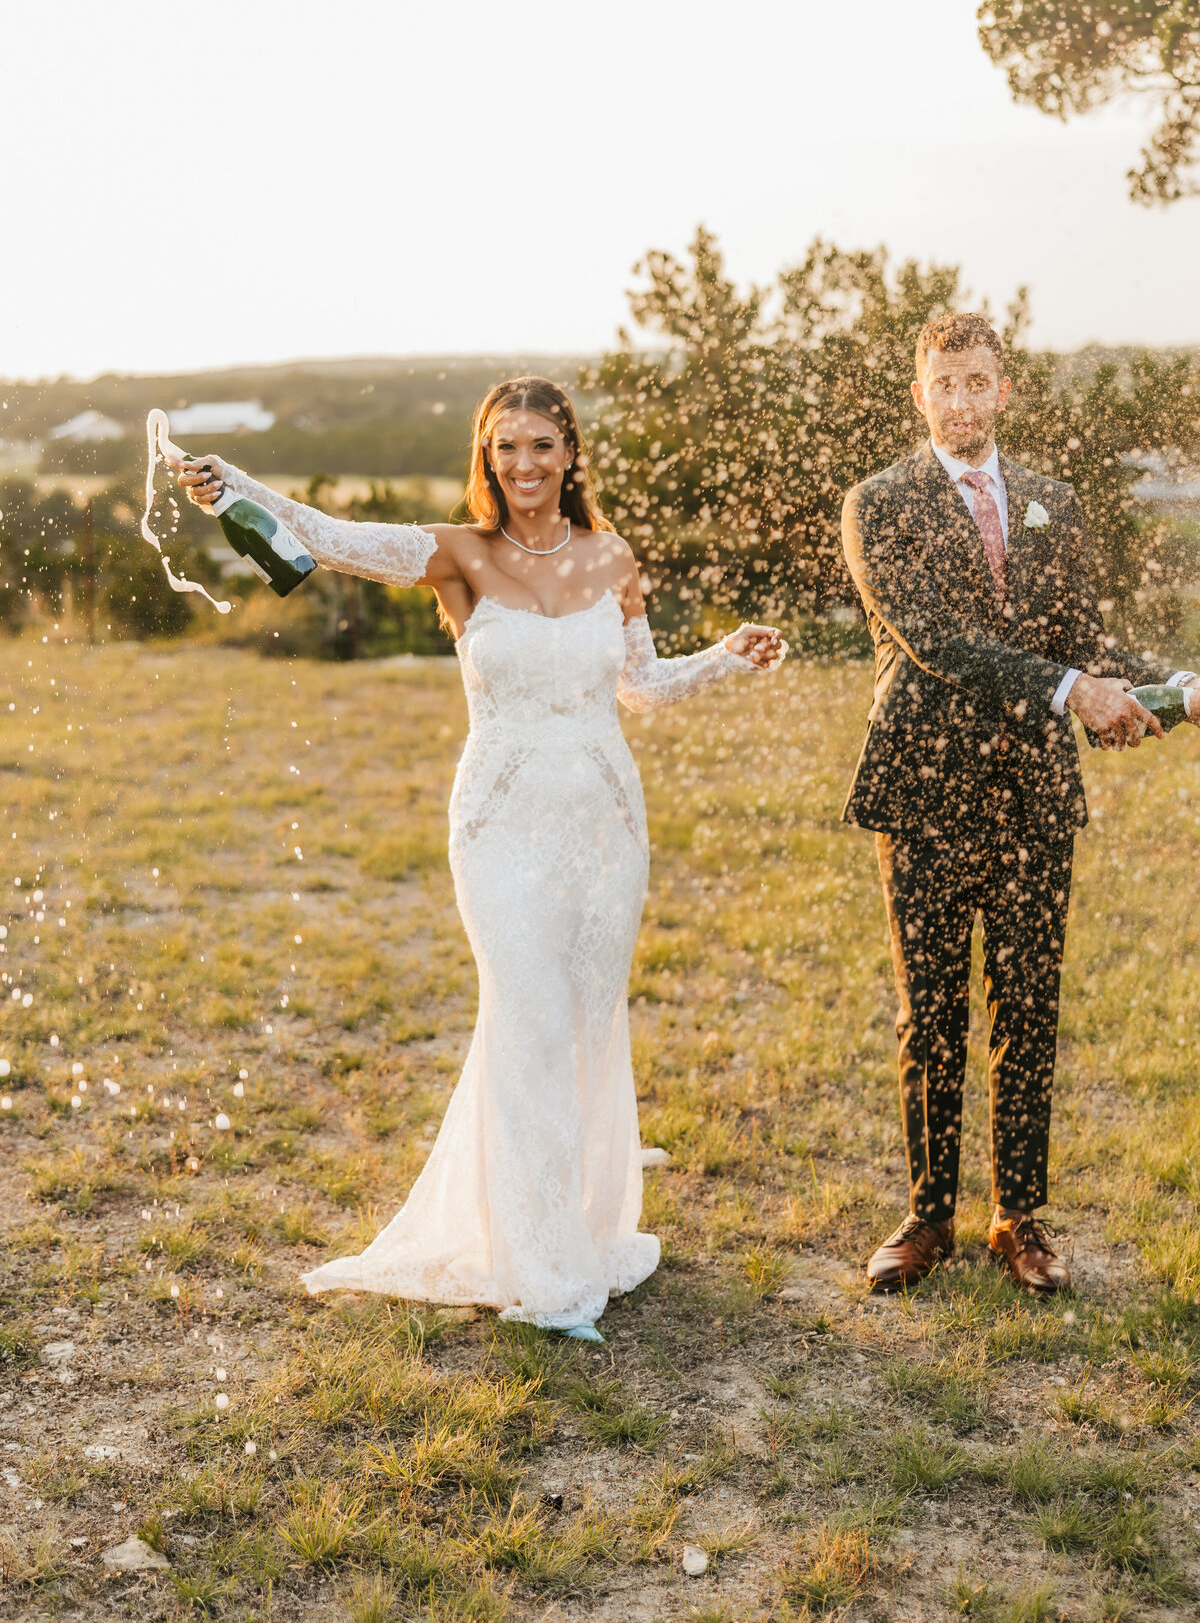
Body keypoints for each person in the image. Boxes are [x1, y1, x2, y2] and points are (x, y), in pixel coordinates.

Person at [180, 376, 785, 1341]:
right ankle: (542, 1272)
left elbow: (639, 687)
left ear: (569, 453)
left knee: (584, 1025)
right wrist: (239, 486)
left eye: (542, 445)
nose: (524, 464)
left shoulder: (613, 556)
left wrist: (722, 656)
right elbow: (332, 537)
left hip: (604, 829)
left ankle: (579, 1230)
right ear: (487, 457)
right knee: (526, 1016)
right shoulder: (457, 554)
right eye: (506, 446)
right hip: (500, 823)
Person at [840, 313, 1197, 1297]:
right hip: (923, 790)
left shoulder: (1054, 503)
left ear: (1005, 391)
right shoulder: (879, 503)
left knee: (1030, 1006)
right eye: (943, 383)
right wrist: (1072, 691)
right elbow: (935, 640)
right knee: (930, 1011)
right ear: (920, 394)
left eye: (977, 381)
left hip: (1034, 791)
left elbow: (1082, 640)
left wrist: (1174, 688)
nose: (961, 399)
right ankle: (927, 1217)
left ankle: (1018, 1218)